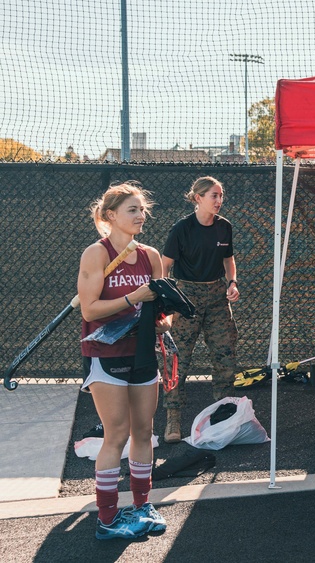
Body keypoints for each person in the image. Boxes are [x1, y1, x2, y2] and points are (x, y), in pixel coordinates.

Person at [78, 182, 169, 539]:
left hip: (143, 353)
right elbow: (89, 308)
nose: (141, 216)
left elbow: (162, 307)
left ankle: (142, 505)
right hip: (106, 355)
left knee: (144, 432)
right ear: (111, 216)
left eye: (142, 210)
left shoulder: (151, 255)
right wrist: (134, 298)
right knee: (116, 434)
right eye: (133, 210)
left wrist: (162, 321)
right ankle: (107, 519)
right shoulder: (96, 254)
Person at [160, 176, 239, 444]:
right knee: (178, 358)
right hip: (186, 296)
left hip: (217, 296)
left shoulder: (224, 227)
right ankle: (173, 418)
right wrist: (167, 299)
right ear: (198, 198)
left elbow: (229, 259)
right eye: (213, 196)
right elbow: (164, 265)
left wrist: (232, 282)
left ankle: (224, 415)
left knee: (225, 353)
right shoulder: (181, 229)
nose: (219, 201)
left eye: (221, 195)